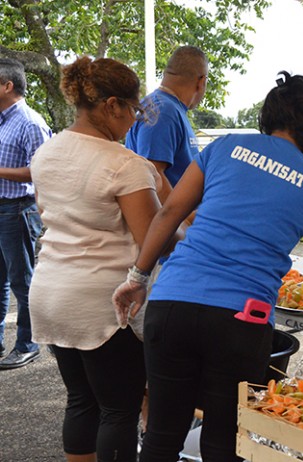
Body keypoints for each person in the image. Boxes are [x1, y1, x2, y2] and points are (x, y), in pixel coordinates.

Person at [112, 71, 303, 462]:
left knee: (161, 437)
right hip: (241, 321)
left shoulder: (225, 148)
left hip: (171, 303)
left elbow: (168, 212)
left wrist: (137, 277)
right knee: (223, 442)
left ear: (268, 119)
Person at [28, 56, 162, 462]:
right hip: (104, 299)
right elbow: (153, 239)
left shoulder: (46, 152)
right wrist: (185, 229)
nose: (133, 121)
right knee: (118, 409)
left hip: (51, 290)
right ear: (112, 106)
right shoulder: (124, 164)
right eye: (134, 110)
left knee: (81, 400)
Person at [0, 58, 51, 370]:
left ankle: (28, 344)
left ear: (8, 86)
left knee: (22, 281)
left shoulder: (30, 122)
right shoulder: (3, 121)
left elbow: (42, 172)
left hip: (17, 210)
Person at [126, 45, 207, 208]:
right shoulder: (163, 111)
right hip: (174, 227)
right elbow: (153, 175)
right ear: (201, 82)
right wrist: (188, 221)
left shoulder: (166, 107)